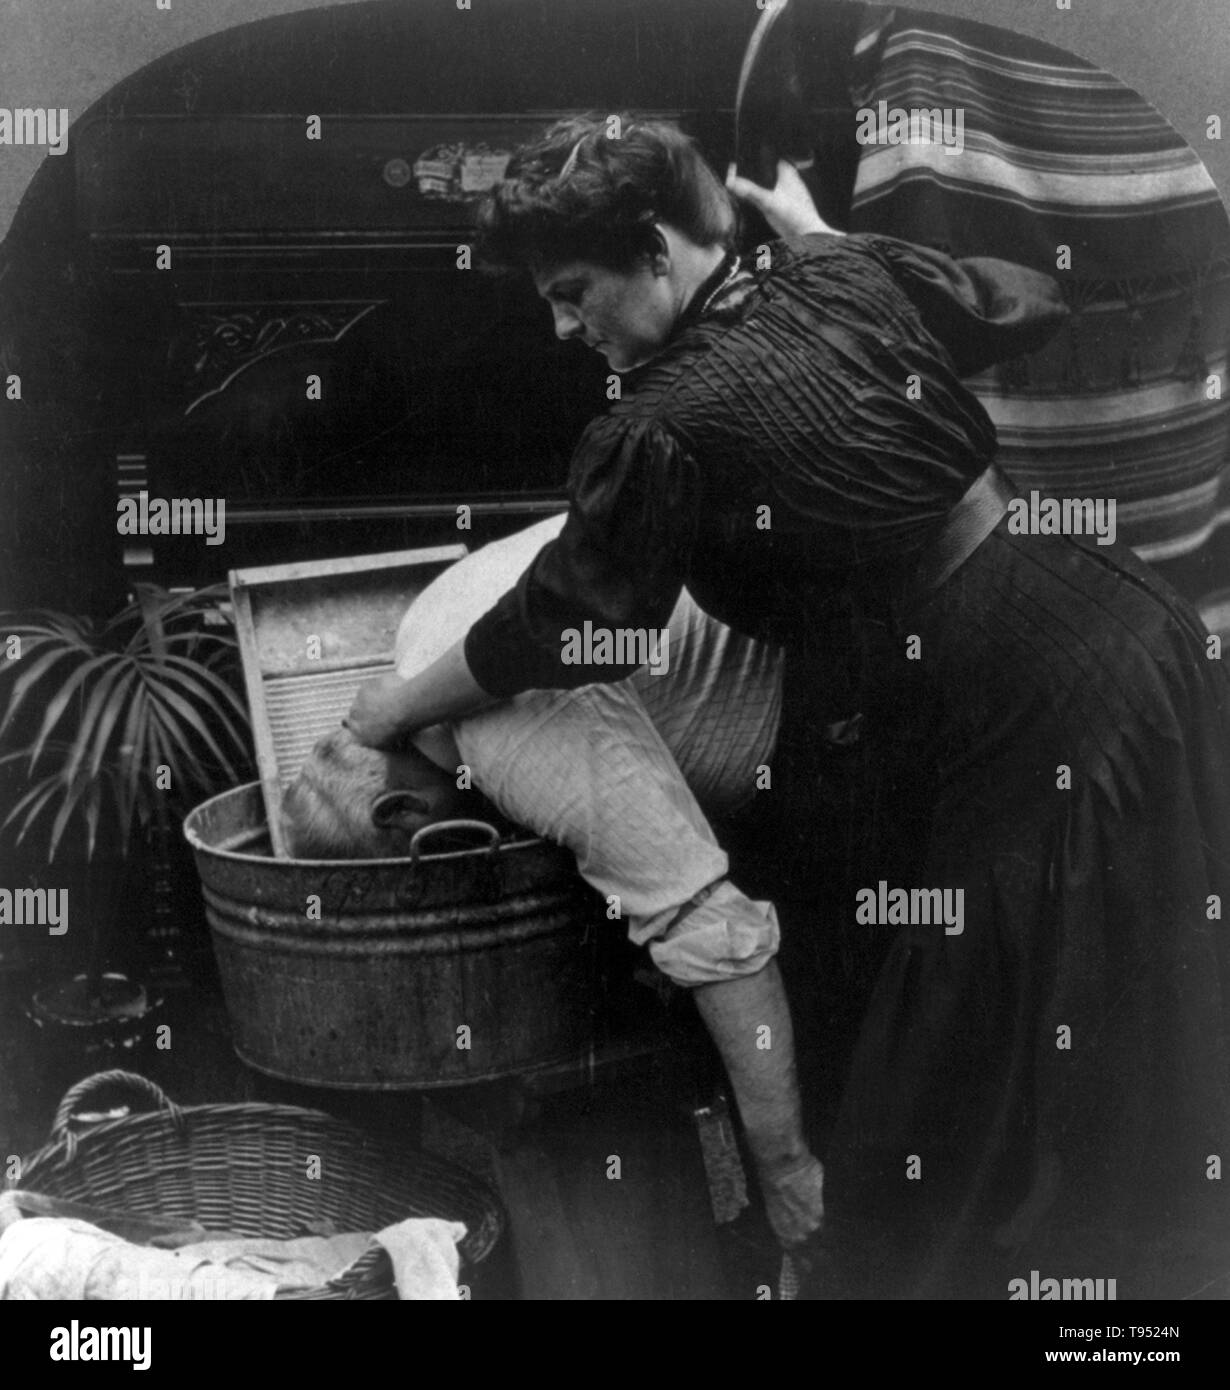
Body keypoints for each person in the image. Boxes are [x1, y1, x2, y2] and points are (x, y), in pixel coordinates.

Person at [346, 116, 1230, 1297]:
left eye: (572, 291)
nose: (562, 326)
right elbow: (1022, 306)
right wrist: (825, 238)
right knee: (1121, 1059)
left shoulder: (657, 425)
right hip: (1138, 633)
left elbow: (554, 628)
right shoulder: (829, 270)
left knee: (947, 1132)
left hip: (1043, 712)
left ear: (655, 250)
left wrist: (394, 704)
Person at [293, 515, 823, 1252]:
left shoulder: (515, 738)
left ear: (401, 809)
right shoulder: (422, 635)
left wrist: (787, 1173)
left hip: (829, 664)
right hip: (772, 614)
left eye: (418, 869)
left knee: (855, 1049)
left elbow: (722, 939)